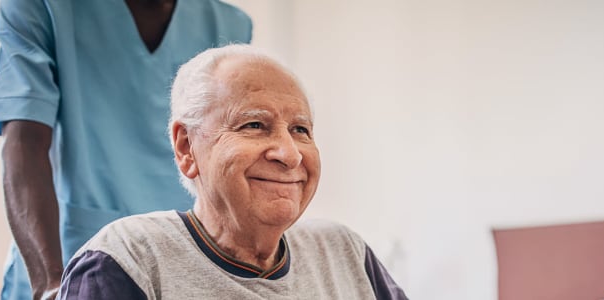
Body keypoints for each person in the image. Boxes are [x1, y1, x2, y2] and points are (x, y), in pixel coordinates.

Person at [56, 45, 408, 299]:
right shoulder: (128, 259)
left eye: (301, 130)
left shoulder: (344, 251)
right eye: (254, 124)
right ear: (186, 147)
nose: (289, 154)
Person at [0, 0, 252, 299]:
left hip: (183, 261)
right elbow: (24, 141)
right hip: (65, 259)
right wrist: (51, 285)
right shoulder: (43, 7)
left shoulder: (230, 25)